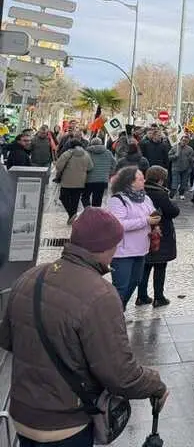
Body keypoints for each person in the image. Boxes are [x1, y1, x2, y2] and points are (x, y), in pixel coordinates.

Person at [0, 208, 168, 447]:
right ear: (105, 247)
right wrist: (156, 385)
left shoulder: (30, 277)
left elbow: (7, 340)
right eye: (116, 245)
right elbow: (120, 375)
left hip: (22, 415)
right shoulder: (100, 294)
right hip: (65, 424)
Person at [105, 166, 161, 309]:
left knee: (135, 281)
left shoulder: (145, 198)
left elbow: (152, 213)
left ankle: (120, 308)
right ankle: (113, 313)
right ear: (129, 181)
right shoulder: (118, 200)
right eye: (140, 179)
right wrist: (145, 221)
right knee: (121, 285)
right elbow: (119, 224)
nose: (144, 181)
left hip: (141, 249)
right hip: (123, 251)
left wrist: (155, 224)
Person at [136, 166, 180, 308]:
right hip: (160, 233)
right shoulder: (160, 194)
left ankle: (141, 296)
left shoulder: (140, 191)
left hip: (143, 232)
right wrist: (174, 204)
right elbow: (172, 212)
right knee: (160, 266)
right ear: (160, 180)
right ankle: (159, 297)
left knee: (145, 266)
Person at [54, 139, 94, 226]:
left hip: (67, 181)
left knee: (63, 197)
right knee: (75, 200)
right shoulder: (86, 154)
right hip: (80, 182)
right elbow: (90, 167)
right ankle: (72, 217)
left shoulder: (67, 154)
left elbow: (58, 166)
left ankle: (71, 214)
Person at [82, 137, 116, 208]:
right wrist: (108, 173)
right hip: (102, 180)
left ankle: (88, 210)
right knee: (98, 200)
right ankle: (95, 213)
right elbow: (114, 165)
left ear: (91, 144)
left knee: (85, 197)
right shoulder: (108, 153)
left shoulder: (87, 153)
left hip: (89, 179)